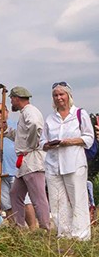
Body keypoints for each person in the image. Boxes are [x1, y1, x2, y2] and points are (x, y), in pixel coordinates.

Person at [42, 82, 94, 240]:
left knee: (78, 199)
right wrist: (48, 145)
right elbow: (41, 141)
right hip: (53, 164)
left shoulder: (79, 114)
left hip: (74, 163)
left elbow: (89, 138)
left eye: (61, 94)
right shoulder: (50, 118)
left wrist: (69, 141)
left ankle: (81, 236)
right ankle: (64, 234)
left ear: (68, 96)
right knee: (57, 201)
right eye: (55, 95)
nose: (59, 98)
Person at [8, 86, 51, 230]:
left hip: (32, 160)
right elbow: (21, 136)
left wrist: (32, 144)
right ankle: (19, 228)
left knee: (38, 197)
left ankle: (46, 229)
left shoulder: (30, 112)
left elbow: (35, 126)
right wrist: (7, 131)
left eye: (11, 99)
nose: (11, 103)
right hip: (24, 163)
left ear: (16, 98)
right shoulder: (24, 113)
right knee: (15, 194)